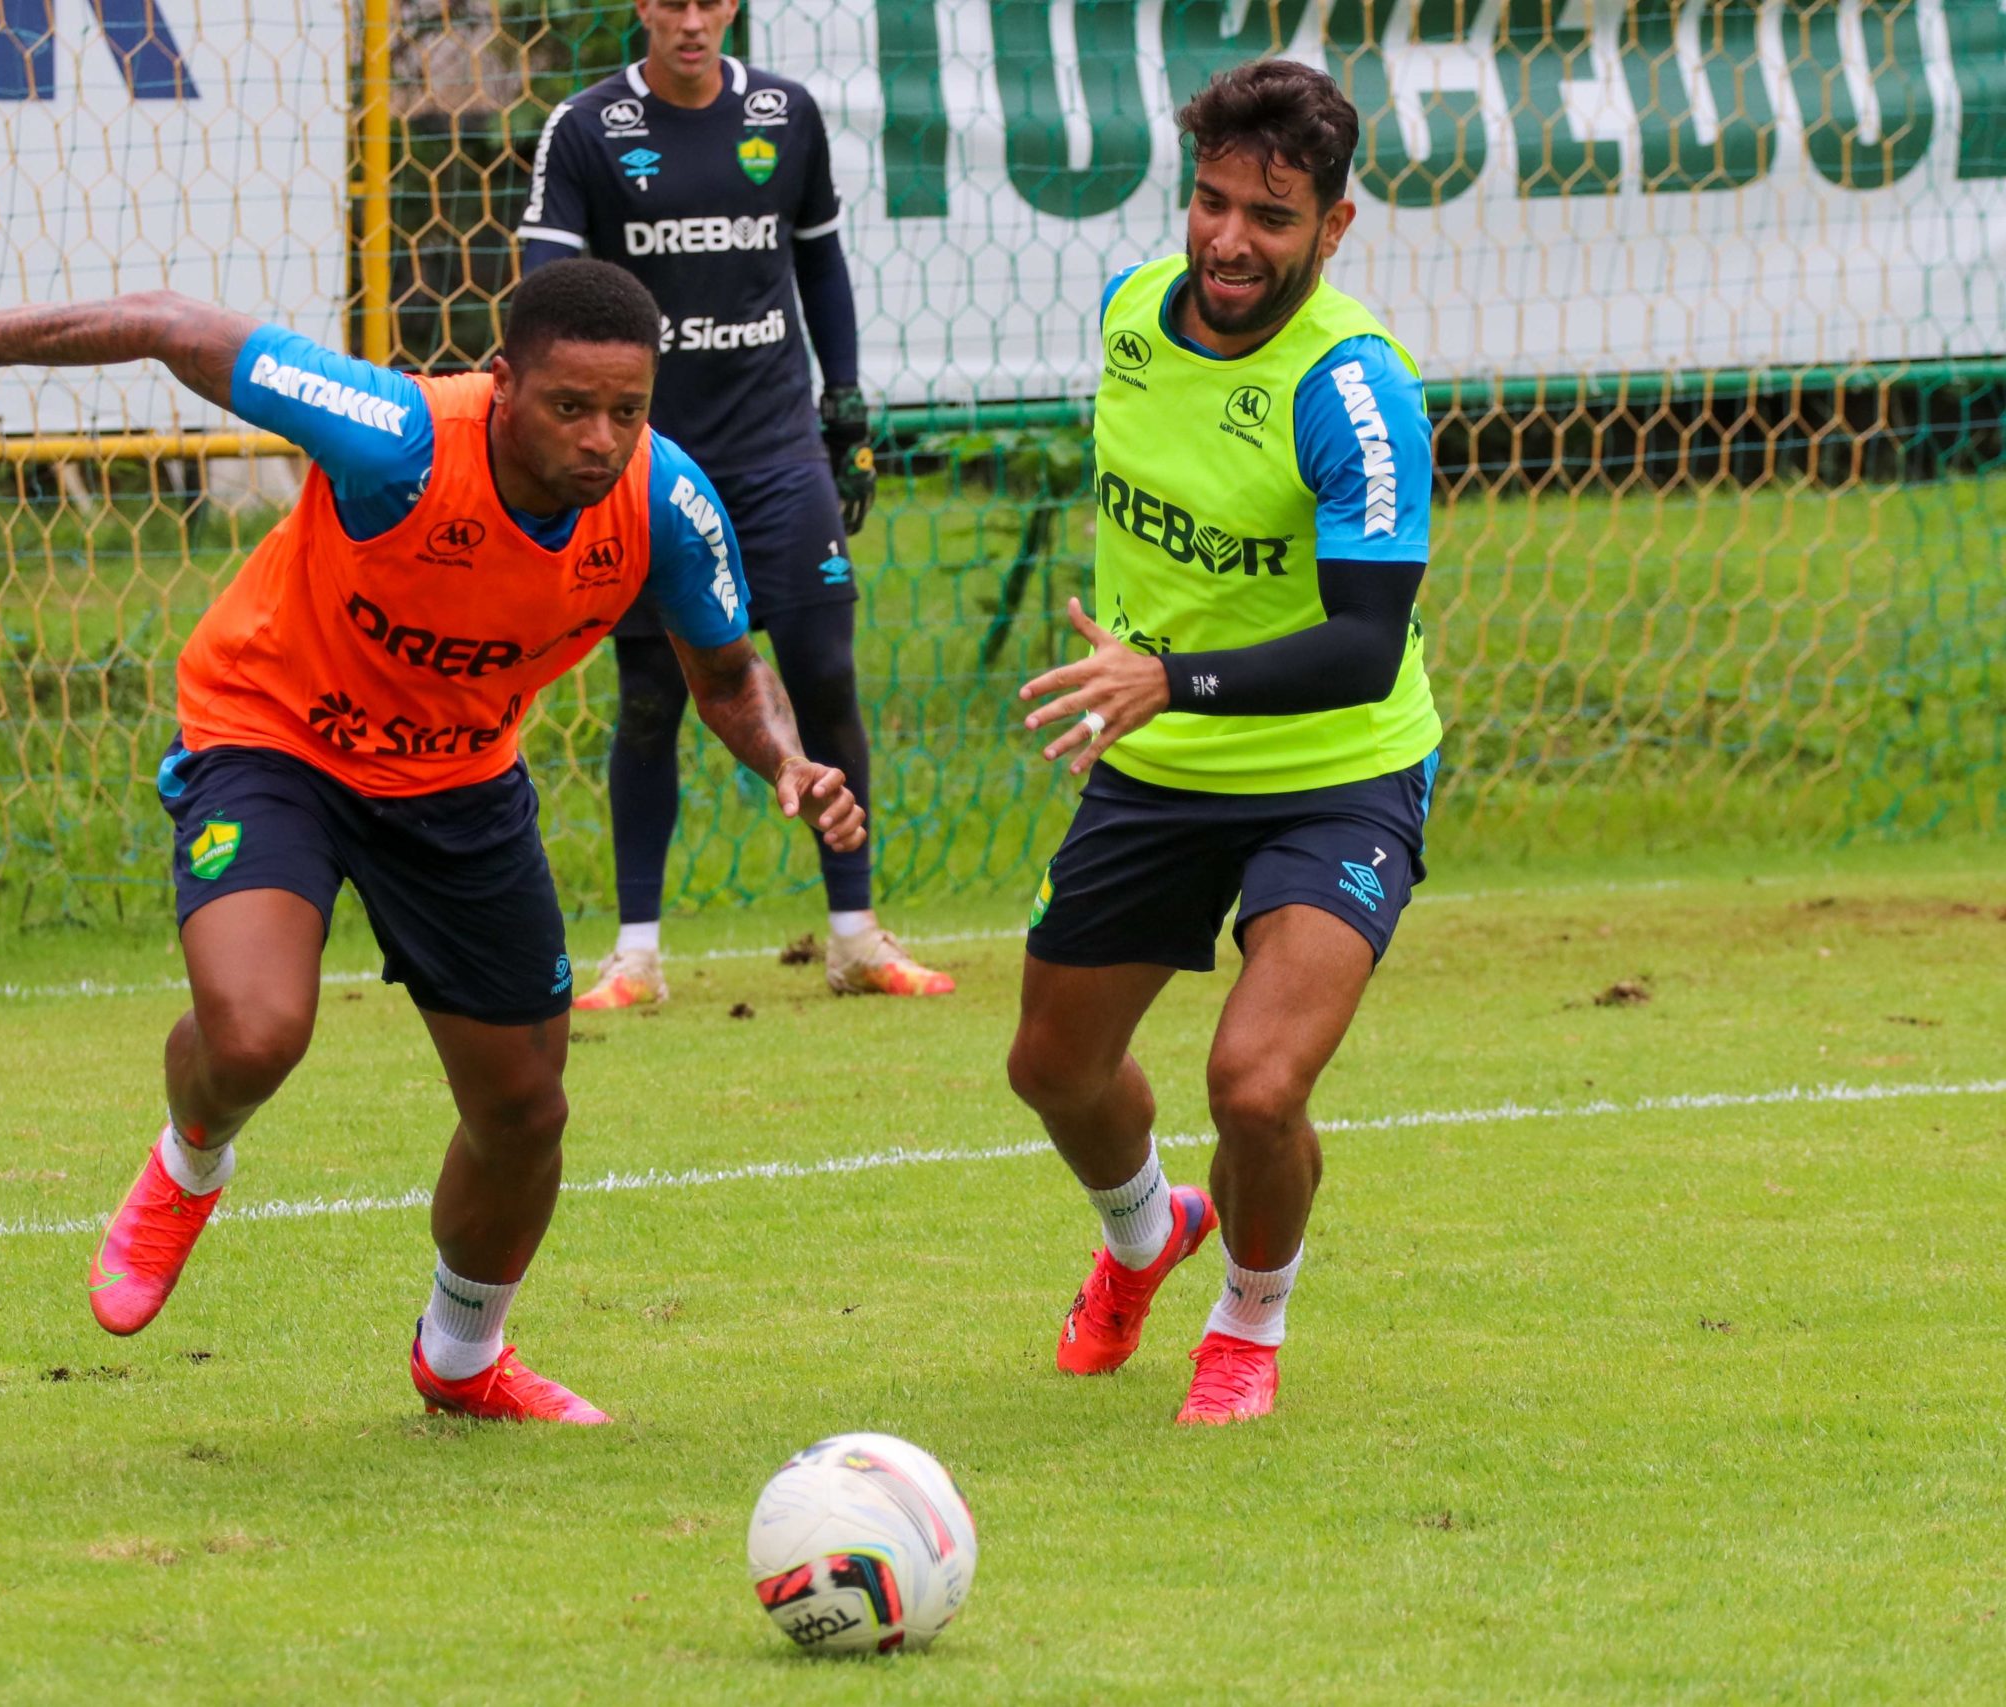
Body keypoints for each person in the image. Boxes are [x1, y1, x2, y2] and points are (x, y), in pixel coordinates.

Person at [0, 260, 863, 1424]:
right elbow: (168, 323)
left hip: (458, 783)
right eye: (570, 407)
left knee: (525, 1111)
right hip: (273, 740)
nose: (601, 440)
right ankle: (189, 1161)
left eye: (628, 410)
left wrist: (788, 762)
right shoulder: (397, 440)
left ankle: (462, 1361)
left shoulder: (667, 505)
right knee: (257, 1032)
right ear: (503, 382)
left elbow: (726, 675)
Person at [1003, 61, 1442, 1426]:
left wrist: (1168, 674)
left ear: (1335, 226)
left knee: (1254, 1081)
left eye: (1272, 213)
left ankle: (1249, 1320)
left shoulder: (1356, 390)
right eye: (1210, 202)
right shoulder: (1133, 311)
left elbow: (1364, 641)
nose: (1231, 240)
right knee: (1053, 1068)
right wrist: (1156, 691)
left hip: (1337, 771)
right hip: (1158, 757)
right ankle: (1146, 1234)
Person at [516, 0, 953, 1005]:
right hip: (646, 461)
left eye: (708, 0)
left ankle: (855, 937)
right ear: (642, 9)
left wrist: (843, 406)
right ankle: (635, 958)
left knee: (825, 671)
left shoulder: (784, 114)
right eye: (669, 1)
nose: (690, 20)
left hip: (775, 452)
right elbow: (546, 292)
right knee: (651, 698)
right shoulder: (587, 131)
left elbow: (821, 263)